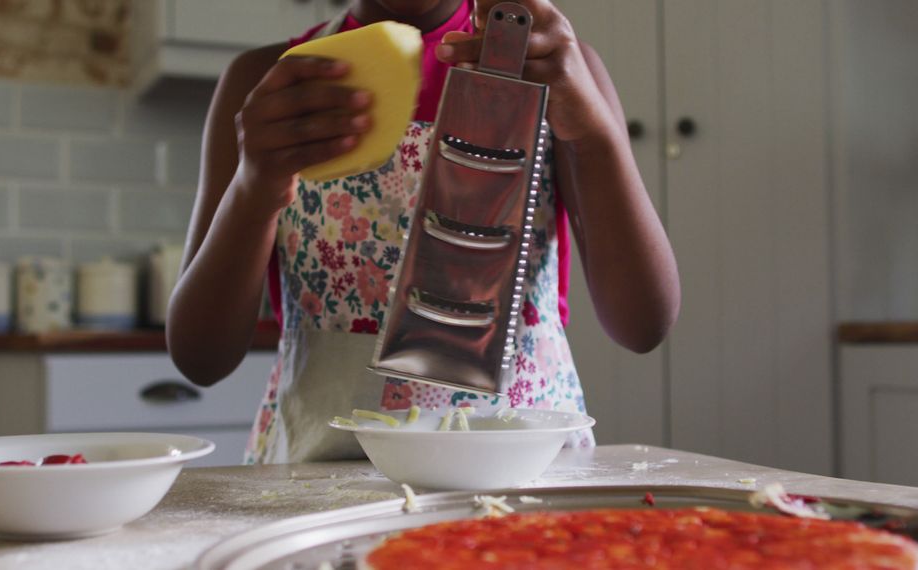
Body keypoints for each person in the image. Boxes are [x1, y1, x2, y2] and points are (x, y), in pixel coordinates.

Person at [167, 0, 680, 464]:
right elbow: (201, 357)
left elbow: (643, 324)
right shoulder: (267, 84)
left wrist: (594, 137)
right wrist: (253, 190)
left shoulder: (559, 70)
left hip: (520, 468)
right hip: (320, 474)